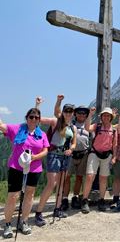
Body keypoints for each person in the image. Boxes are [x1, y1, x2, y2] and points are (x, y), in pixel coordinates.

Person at [0, 108, 49, 238]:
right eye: (31, 117)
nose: (33, 119)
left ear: (39, 120)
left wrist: (34, 157)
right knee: (13, 196)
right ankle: (8, 224)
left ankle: (24, 221)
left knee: (29, 194)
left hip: (34, 168)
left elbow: (45, 150)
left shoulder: (42, 134)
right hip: (17, 167)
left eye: (36, 118)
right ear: (26, 118)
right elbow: (1, 126)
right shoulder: (16, 129)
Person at [34, 95, 77, 226]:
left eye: (70, 112)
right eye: (66, 111)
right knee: (52, 183)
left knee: (61, 184)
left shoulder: (73, 128)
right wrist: (38, 106)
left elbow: (74, 143)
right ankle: (39, 212)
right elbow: (38, 120)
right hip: (53, 155)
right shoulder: (55, 122)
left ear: (73, 114)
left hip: (65, 156)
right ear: (63, 112)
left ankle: (57, 209)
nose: (68, 114)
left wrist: (71, 149)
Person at [81, 107, 117, 213]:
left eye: (108, 115)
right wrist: (90, 115)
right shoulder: (97, 126)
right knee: (89, 176)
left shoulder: (114, 130)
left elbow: (115, 145)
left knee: (103, 178)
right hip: (94, 153)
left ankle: (101, 200)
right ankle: (84, 200)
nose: (106, 117)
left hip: (107, 155)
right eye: (104, 115)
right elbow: (87, 128)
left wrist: (114, 157)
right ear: (101, 117)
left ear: (111, 117)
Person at [57, 104, 90, 210]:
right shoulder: (70, 123)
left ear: (86, 115)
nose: (82, 114)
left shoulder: (88, 125)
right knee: (67, 177)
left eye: (84, 113)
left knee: (79, 177)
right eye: (79, 112)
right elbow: (58, 116)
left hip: (83, 154)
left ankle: (75, 197)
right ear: (75, 113)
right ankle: (65, 198)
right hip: (70, 154)